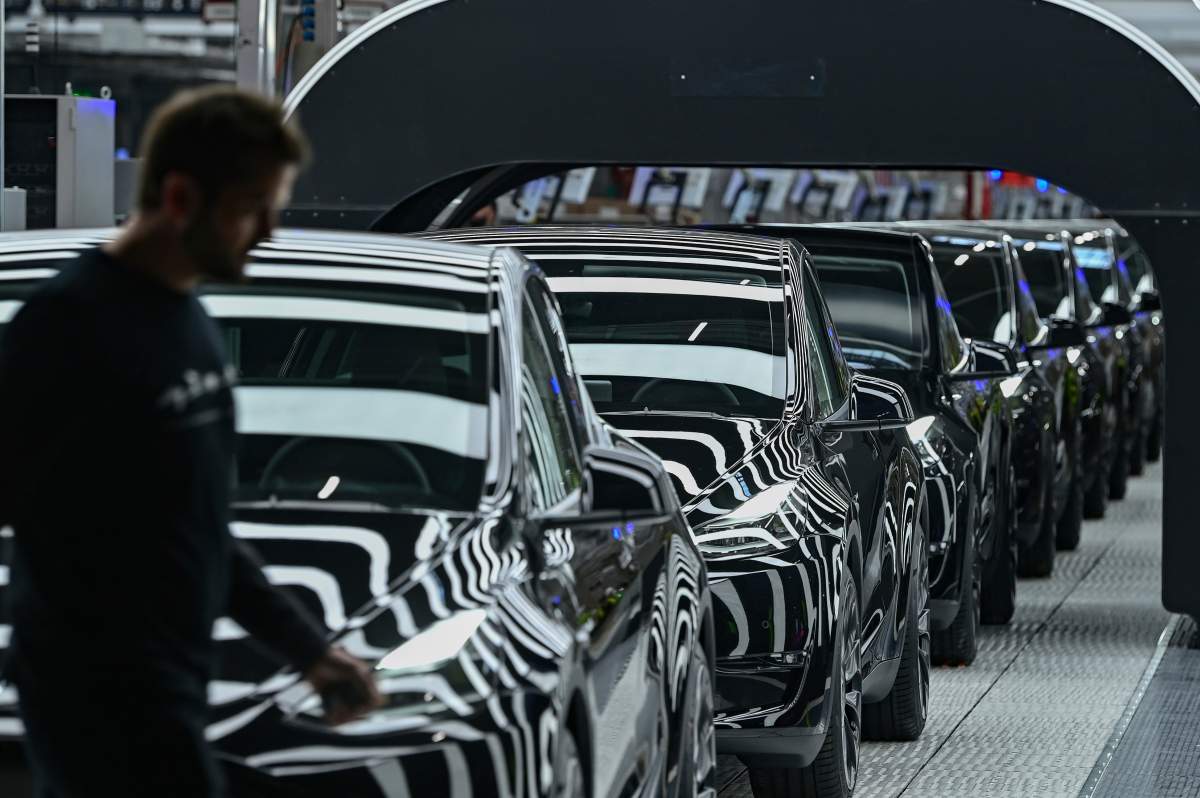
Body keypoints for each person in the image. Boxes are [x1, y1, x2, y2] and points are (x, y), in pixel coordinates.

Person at [0, 86, 382, 797]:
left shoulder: (188, 324)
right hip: (97, 697)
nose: (268, 230)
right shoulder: (65, 329)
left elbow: (197, 524)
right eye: (250, 208)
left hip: (170, 683)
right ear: (179, 197)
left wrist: (310, 653)